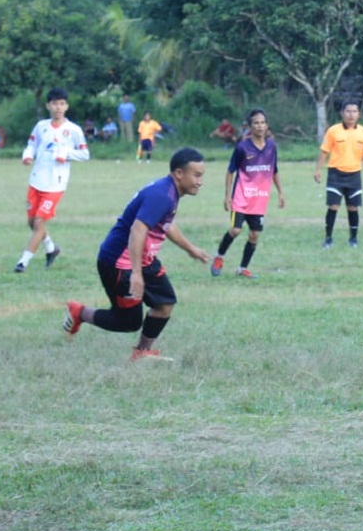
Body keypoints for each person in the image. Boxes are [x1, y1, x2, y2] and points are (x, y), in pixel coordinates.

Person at [62, 147, 211, 361]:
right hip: (119, 264)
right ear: (179, 173)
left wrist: (191, 249)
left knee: (165, 303)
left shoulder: (169, 192)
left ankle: (141, 352)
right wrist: (136, 274)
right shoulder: (163, 195)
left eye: (201, 176)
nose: (200, 182)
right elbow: (137, 229)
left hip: (142, 259)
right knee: (128, 322)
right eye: (196, 175)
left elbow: (166, 225)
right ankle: (79, 312)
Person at [15, 87, 90, 273]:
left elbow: (85, 153)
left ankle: (23, 262)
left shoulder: (73, 130)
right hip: (36, 180)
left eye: (62, 104)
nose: (58, 107)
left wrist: (66, 154)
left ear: (67, 106)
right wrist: (27, 156)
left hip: (55, 184)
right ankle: (51, 249)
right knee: (32, 223)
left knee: (39, 223)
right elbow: (32, 144)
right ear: (48, 105)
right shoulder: (41, 126)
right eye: (55, 103)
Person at [211, 108, 285, 279]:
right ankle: (219, 257)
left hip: (259, 199)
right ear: (250, 126)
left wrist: (281, 192)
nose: (260, 126)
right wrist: (227, 196)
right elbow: (230, 171)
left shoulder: (272, 147)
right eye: (256, 123)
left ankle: (242, 268)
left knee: (254, 235)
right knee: (236, 230)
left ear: (267, 126)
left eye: (262, 123)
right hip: (241, 197)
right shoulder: (242, 147)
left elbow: (274, 170)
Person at [314, 101, 363, 248]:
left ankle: (353, 239)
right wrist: (318, 169)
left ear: (359, 114)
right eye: (348, 111)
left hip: (354, 175)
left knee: (353, 207)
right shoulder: (333, 131)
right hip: (335, 174)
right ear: (342, 113)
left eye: (354, 111)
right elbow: (324, 151)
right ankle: (328, 239)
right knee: (333, 206)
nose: (351, 114)